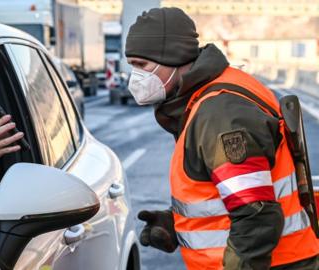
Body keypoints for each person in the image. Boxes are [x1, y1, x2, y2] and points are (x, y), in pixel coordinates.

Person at [125, 7, 319, 269]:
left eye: (141, 65)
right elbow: (233, 194)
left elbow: (256, 217)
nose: (135, 77)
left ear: (172, 58)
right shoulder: (211, 97)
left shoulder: (220, 115)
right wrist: (179, 225)